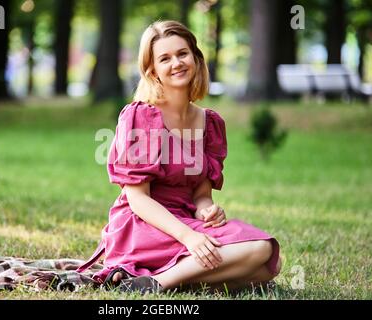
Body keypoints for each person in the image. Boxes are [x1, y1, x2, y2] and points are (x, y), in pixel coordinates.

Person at [77, 20, 281, 293]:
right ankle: (156, 284)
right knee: (260, 250)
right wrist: (190, 237)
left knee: (270, 264)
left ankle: (165, 279)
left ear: (196, 58)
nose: (176, 63)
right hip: (143, 225)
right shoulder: (141, 116)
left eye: (182, 54)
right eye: (165, 58)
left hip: (186, 221)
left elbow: (201, 194)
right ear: (152, 70)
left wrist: (207, 209)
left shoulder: (210, 123)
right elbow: (138, 199)